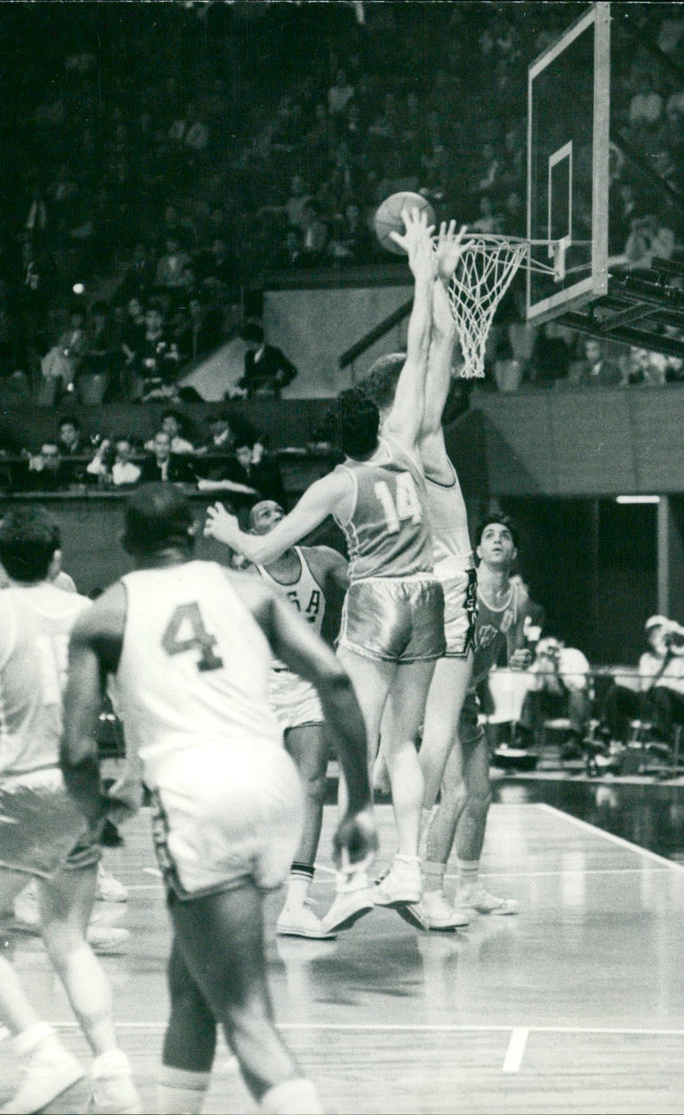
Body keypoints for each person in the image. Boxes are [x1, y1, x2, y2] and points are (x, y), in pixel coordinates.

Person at [61, 484, 375, 1115]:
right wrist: (361, 804)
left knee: (247, 1017)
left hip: (198, 798)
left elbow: (76, 751)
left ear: (125, 542)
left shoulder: (103, 614)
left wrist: (96, 818)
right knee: (191, 984)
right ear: (197, 534)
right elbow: (336, 678)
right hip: (273, 791)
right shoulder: (252, 592)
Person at [205, 209, 443, 932]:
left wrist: (222, 528)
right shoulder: (402, 443)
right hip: (428, 593)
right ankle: (408, 867)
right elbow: (417, 352)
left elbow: (264, 546)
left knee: (352, 746)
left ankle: (341, 887)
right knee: (406, 742)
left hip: (375, 600)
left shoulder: (334, 485)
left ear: (331, 442)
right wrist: (424, 274)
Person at [0, 509, 141, 1115]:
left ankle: (42, 1052)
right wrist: (136, 776)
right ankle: (114, 1074)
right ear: (57, 560)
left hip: (25, 789)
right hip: (84, 789)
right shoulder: (89, 614)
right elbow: (135, 700)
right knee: (67, 937)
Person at [358, 220, 479, 931]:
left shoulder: (379, 443)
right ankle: (418, 875)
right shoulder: (420, 431)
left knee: (411, 744)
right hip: (448, 587)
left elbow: (436, 348)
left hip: (399, 588)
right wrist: (428, 275)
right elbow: (436, 348)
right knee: (435, 737)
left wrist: (438, 279)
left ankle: (414, 873)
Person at [240, 498, 351, 939]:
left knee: (312, 784)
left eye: (281, 512)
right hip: (260, 684)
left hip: (306, 683)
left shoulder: (323, 561)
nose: (277, 517)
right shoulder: (248, 574)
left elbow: (366, 592)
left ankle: (297, 903)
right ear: (253, 532)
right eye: (265, 515)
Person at [420, 514, 531, 921]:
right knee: (456, 794)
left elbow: (510, 650)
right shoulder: (460, 587)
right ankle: (429, 891)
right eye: (489, 535)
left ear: (513, 552)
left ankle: (467, 889)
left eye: (505, 535)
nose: (497, 540)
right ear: (478, 550)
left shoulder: (515, 599)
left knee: (480, 796)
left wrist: (519, 658)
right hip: (437, 693)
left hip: (467, 699)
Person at [604, 615, 684, 747]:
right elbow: (645, 688)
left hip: (680, 707)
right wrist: (662, 662)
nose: (659, 638)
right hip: (653, 704)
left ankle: (660, 739)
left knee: (661, 689)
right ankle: (617, 741)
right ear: (650, 639)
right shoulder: (647, 658)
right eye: (654, 635)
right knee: (616, 691)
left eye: (662, 633)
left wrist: (682, 630)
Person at [518, 636, 592, 758]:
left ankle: (574, 739)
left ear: (561, 645)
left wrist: (560, 667)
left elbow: (580, 685)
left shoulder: (574, 656)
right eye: (548, 649)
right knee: (531, 695)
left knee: (577, 695)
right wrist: (538, 667)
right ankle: (525, 736)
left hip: (578, 703)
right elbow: (534, 687)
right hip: (554, 703)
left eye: (553, 648)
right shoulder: (543, 660)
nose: (551, 652)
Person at [240, 324, 298, 398]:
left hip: (271, 398)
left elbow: (292, 371)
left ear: (256, 340)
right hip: (253, 398)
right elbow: (248, 377)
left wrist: (278, 383)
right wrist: (241, 382)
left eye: (248, 342)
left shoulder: (273, 352)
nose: (247, 345)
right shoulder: (249, 355)